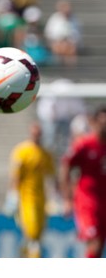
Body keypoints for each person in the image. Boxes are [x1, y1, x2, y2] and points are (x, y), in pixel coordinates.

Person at [5, 121, 58, 257]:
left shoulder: (45, 154)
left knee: (38, 235)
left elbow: (51, 176)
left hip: (42, 199)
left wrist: (56, 196)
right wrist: (13, 195)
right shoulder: (22, 151)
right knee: (32, 231)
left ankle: (25, 253)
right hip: (26, 198)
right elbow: (15, 176)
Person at [60, 105, 106, 258]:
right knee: (94, 242)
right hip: (87, 202)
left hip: (104, 202)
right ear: (94, 123)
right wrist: (67, 198)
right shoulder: (84, 145)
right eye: (102, 122)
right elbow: (65, 165)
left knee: (98, 247)